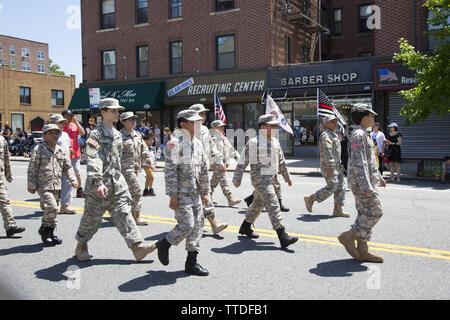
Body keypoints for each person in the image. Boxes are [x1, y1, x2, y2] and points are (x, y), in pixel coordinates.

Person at [74, 98, 157, 262]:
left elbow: (118, 161)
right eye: (113, 111)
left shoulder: (118, 135)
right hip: (99, 186)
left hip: (117, 185)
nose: (117, 113)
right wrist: (98, 182)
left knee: (125, 215)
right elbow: (92, 158)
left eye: (118, 111)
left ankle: (137, 247)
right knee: (91, 219)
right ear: (103, 112)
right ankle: (82, 244)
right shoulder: (95, 135)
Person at [156, 109, 210, 276]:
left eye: (199, 121)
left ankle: (191, 263)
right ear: (183, 124)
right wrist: (172, 196)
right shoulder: (174, 143)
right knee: (187, 225)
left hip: (195, 193)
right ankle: (165, 243)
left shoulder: (199, 144)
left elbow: (203, 171)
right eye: (194, 121)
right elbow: (170, 171)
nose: (199, 123)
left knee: (198, 226)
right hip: (181, 193)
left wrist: (206, 192)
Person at [232, 114, 298, 249]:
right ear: (263, 127)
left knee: (257, 204)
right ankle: (282, 235)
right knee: (273, 204)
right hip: (260, 180)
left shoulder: (275, 142)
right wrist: (236, 178)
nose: (275, 128)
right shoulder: (254, 142)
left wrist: (287, 177)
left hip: (271, 179)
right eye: (272, 126)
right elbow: (243, 161)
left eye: (275, 126)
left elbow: (281, 162)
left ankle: (245, 226)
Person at [338, 103, 386, 263]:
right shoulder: (359, 134)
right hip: (362, 183)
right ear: (364, 117)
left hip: (365, 181)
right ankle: (348, 236)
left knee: (364, 214)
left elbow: (369, 160)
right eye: (371, 116)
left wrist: (379, 177)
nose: (373, 118)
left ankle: (363, 250)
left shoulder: (363, 133)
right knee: (375, 212)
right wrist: (366, 187)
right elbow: (359, 162)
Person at [27, 124, 78, 247]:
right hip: (44, 185)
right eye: (51, 133)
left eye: (56, 133)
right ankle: (44, 230)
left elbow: (67, 166)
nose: (54, 135)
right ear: (44, 135)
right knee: (52, 207)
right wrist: (31, 185)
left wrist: (73, 179)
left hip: (57, 185)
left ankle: (51, 233)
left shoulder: (60, 149)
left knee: (53, 212)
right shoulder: (38, 149)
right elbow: (32, 168)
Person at [188, 104, 228, 235]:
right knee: (193, 199)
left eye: (204, 114)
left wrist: (219, 160)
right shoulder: (187, 130)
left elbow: (212, 148)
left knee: (205, 196)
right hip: (190, 170)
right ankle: (191, 223)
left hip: (203, 169)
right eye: (201, 114)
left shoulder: (205, 130)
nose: (203, 116)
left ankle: (213, 224)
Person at [304, 115, 350, 218]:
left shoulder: (334, 134)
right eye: (332, 122)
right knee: (332, 186)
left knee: (341, 187)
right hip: (329, 166)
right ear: (326, 124)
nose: (335, 124)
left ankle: (338, 209)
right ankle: (311, 198)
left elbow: (336, 152)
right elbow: (327, 152)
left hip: (337, 166)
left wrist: (340, 163)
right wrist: (330, 166)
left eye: (336, 122)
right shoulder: (325, 136)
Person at [119, 111, 154, 226]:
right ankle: (137, 217)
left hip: (135, 169)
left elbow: (144, 150)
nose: (134, 122)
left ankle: (124, 213)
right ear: (123, 122)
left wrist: (150, 162)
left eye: (134, 119)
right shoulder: (119, 136)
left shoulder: (137, 135)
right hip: (124, 169)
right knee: (137, 191)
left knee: (128, 192)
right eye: (130, 120)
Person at [209, 120, 241, 207]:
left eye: (223, 126)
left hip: (223, 162)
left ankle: (208, 196)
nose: (223, 127)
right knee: (223, 181)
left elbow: (231, 149)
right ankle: (230, 199)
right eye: (220, 126)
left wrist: (239, 159)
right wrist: (219, 163)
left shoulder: (224, 138)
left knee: (214, 181)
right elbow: (213, 152)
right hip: (217, 163)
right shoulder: (212, 139)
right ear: (215, 128)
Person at [49, 114, 76, 214]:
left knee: (67, 183)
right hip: (54, 164)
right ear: (53, 123)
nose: (63, 124)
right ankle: (52, 205)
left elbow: (67, 146)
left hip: (66, 164)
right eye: (60, 122)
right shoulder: (49, 135)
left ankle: (65, 205)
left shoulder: (64, 134)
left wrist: (70, 150)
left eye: (63, 122)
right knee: (54, 186)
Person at [0, 133, 25, 238]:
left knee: (5, 201)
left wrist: (8, 175)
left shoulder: (1, 140)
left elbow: (6, 157)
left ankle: (10, 227)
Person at [62, 110, 86, 198]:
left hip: (75, 153)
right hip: (64, 154)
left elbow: (82, 133)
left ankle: (80, 189)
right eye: (66, 116)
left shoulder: (74, 125)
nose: (68, 117)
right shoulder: (61, 127)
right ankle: (61, 190)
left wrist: (76, 121)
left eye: (70, 116)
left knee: (77, 171)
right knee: (63, 173)